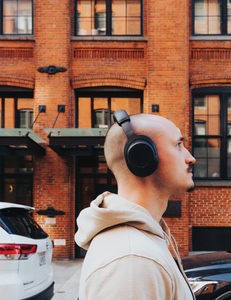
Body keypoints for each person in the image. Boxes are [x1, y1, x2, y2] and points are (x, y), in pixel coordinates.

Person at [75, 110, 196, 300]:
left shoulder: (139, 243)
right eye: (178, 145)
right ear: (143, 156)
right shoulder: (131, 260)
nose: (190, 158)